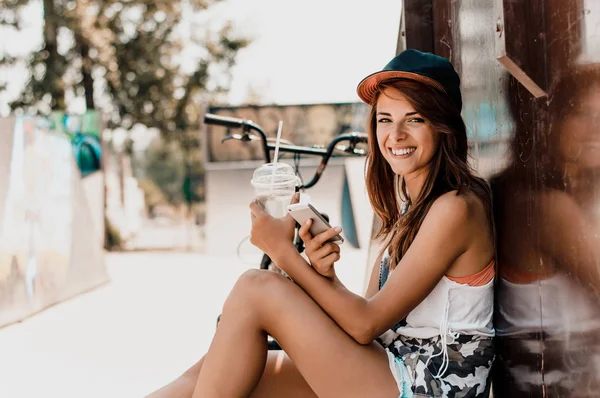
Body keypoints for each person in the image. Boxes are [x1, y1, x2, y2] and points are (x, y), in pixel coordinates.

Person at [147, 49, 496, 398]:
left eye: (415, 119)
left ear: (443, 125)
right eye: (385, 119)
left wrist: (284, 254)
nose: (396, 134)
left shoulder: (457, 207)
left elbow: (365, 324)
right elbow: (369, 320)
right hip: (395, 366)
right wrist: (323, 275)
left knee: (257, 287)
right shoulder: (410, 211)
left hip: (433, 386)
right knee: (220, 366)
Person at [492, 64, 600, 397]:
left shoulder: (561, 195)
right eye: (582, 114)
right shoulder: (546, 206)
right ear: (549, 122)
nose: (595, 128)